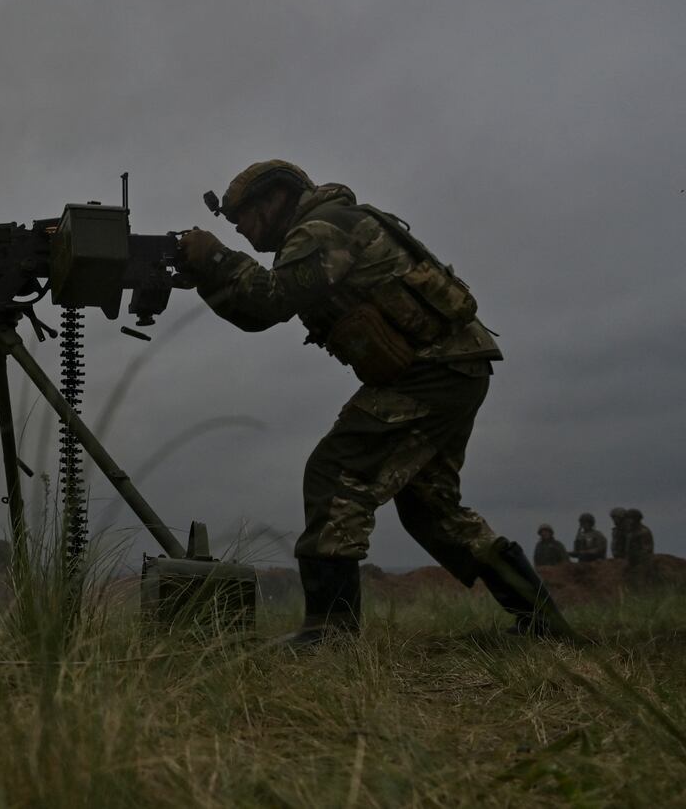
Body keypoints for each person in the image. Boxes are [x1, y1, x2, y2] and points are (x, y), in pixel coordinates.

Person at [175, 160, 571, 643]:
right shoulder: (322, 229)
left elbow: (269, 301)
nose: (239, 228)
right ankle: (543, 623)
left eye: (243, 216)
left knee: (335, 475)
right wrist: (206, 273)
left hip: (434, 371)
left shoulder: (321, 230)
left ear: (275, 199)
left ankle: (331, 634)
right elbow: (254, 315)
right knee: (430, 509)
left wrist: (216, 257)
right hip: (451, 368)